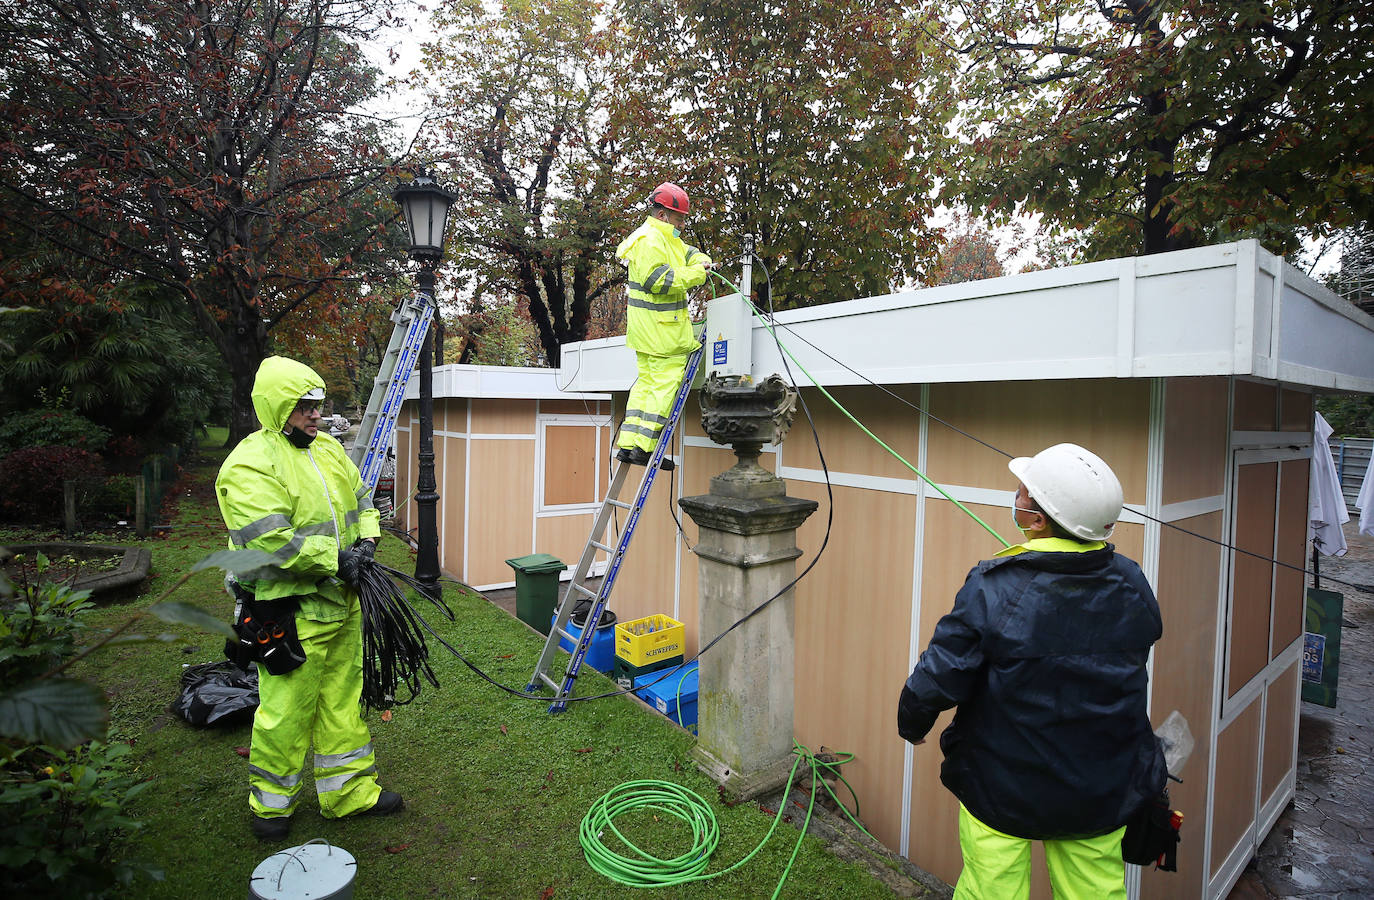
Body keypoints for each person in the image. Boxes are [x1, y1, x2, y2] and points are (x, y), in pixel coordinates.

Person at [897, 443, 1166, 899]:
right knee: (1095, 892)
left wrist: (913, 723)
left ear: (1036, 520)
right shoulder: (1131, 579)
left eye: (1022, 493)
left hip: (1001, 782)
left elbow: (942, 671)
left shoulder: (994, 586)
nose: (1016, 497)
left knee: (992, 889)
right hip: (1101, 783)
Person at [216, 355, 402, 841]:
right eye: (304, 406)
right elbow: (269, 541)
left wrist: (367, 542)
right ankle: (271, 807)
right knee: (286, 712)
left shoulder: (330, 451)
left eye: (317, 405)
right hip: (290, 611)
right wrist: (336, 559)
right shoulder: (250, 464)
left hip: (343, 605)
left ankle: (349, 794)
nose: (316, 414)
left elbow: (363, 500)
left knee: (343, 703)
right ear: (277, 407)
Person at [614, 181, 713, 468]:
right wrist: (699, 275)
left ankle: (629, 446)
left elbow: (688, 252)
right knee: (663, 388)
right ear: (662, 215)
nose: (682, 224)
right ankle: (645, 449)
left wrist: (702, 261)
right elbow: (660, 281)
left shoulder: (663, 238)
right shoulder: (651, 241)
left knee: (645, 387)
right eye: (679, 218)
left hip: (649, 331)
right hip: (662, 333)